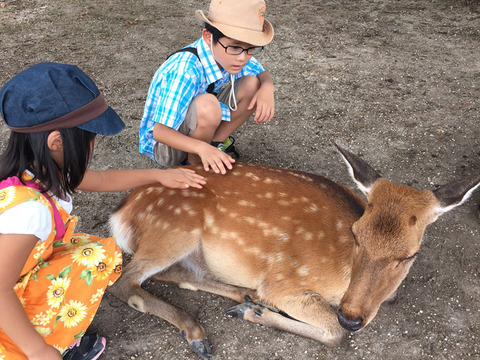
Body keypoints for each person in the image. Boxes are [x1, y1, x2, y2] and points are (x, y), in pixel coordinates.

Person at [0, 62, 206, 360]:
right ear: (57, 141)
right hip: (7, 292)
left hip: (22, 264)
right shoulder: (30, 212)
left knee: (96, 254)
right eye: (91, 138)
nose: (93, 144)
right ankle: (32, 342)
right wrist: (38, 350)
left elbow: (99, 179)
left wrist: (158, 176)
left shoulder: (38, 170)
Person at [139, 0, 275, 174]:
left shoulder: (229, 54)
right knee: (207, 105)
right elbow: (160, 132)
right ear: (208, 37)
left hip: (193, 125)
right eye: (235, 47)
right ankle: (195, 165)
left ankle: (214, 145)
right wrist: (201, 148)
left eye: (251, 49)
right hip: (165, 146)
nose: (243, 58)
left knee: (253, 84)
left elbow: (261, 75)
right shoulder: (184, 71)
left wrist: (267, 88)